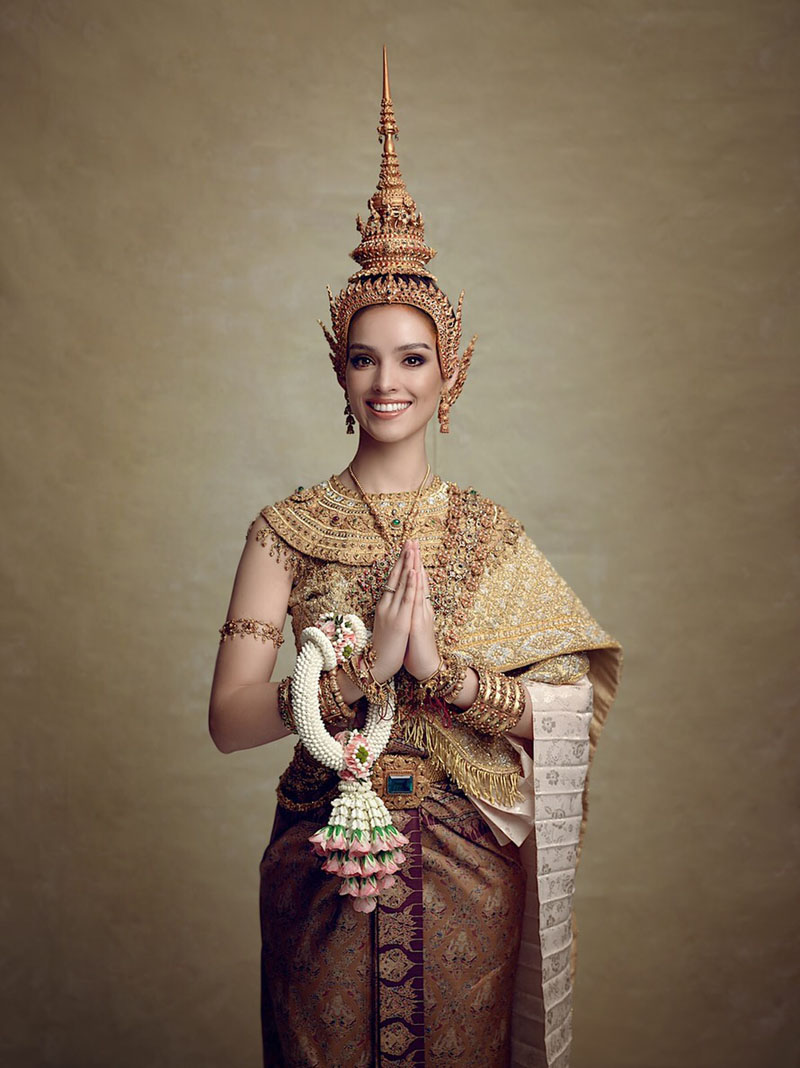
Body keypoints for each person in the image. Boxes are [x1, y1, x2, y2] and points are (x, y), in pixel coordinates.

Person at [209, 48, 622, 1068]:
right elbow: (226, 721)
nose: (385, 383)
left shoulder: (490, 532)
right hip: (322, 860)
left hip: (462, 866)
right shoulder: (285, 527)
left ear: (451, 372)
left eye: (410, 358)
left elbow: (570, 708)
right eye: (362, 357)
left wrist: (443, 675)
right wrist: (363, 674)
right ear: (336, 368)